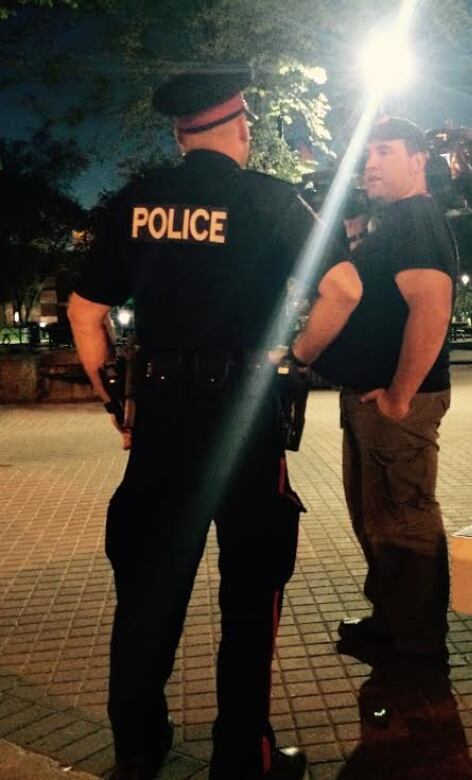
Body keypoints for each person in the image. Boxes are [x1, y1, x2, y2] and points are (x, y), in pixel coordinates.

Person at [67, 67, 359, 780]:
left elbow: (84, 311)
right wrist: (294, 358)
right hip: (244, 421)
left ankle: (138, 751)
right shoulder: (269, 201)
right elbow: (343, 288)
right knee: (250, 593)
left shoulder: (134, 203)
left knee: (146, 594)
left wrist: (119, 403)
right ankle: (241, 756)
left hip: (161, 424)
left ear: (177, 134)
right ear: (241, 128)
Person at [291, 116, 457, 664]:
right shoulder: (398, 223)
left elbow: (431, 308)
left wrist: (400, 395)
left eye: (385, 152)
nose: (372, 165)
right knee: (378, 518)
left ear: (418, 161)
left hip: (395, 406)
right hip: (373, 400)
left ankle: (415, 642)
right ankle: (392, 622)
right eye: (367, 157)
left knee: (404, 518)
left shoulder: (417, 221)